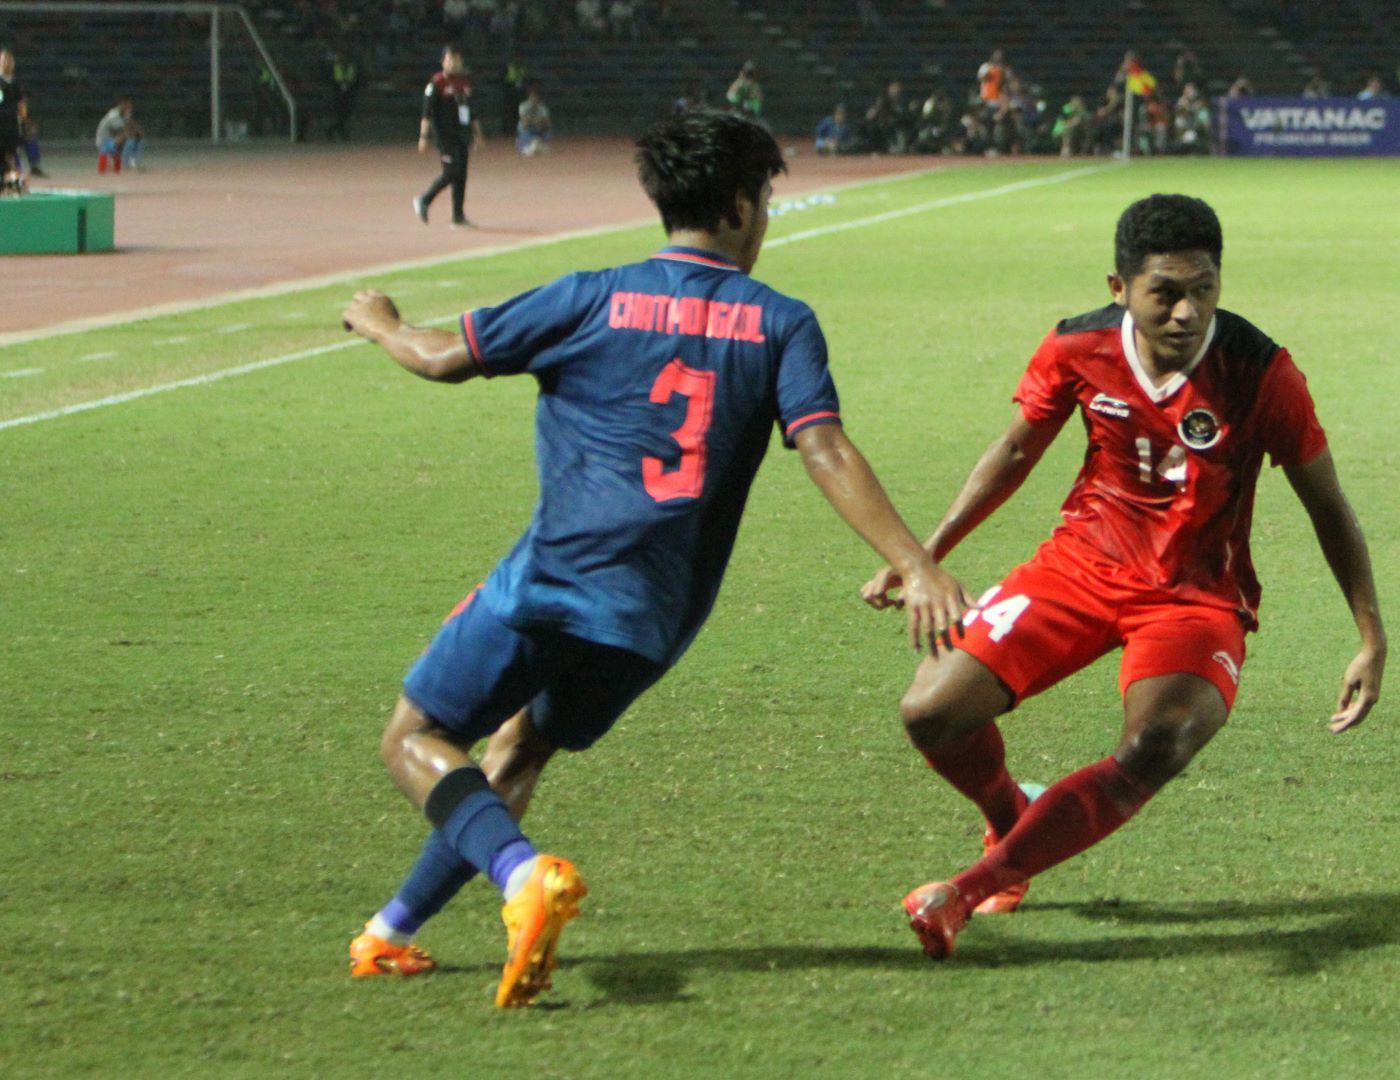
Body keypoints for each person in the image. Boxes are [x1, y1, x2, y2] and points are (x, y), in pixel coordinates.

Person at [340, 109, 972, 1006]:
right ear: (747, 205)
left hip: (553, 580)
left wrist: (379, 320)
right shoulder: (781, 321)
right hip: (654, 619)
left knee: (413, 737)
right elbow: (824, 447)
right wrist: (914, 562)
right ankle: (389, 933)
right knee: (517, 751)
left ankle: (523, 878)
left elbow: (441, 359)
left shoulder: (589, 295)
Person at [867, 194, 1387, 960]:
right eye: (1165, 293)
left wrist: (1371, 636)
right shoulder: (1076, 347)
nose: (1186, 312)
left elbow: (1328, 505)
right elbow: (1015, 452)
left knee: (1157, 741)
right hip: (1080, 567)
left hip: (1197, 595)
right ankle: (1012, 810)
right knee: (931, 711)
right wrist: (924, 556)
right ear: (1120, 288)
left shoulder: (1260, 370)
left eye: (1203, 289)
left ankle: (968, 892)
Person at [415, 45, 483, 229]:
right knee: (451, 171)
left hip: (462, 135)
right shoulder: (437, 84)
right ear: (443, 61)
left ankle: (458, 216)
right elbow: (426, 113)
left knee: (461, 175)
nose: (454, 63)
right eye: (450, 59)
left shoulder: (464, 84)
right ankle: (424, 199)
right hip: (446, 137)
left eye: (457, 59)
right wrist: (424, 136)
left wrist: (477, 133)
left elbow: (471, 111)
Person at [95, 96, 143, 173]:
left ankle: (133, 162)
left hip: (114, 140)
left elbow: (136, 129)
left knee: (138, 138)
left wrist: (137, 131)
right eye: (128, 106)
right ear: (122, 105)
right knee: (130, 137)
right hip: (104, 142)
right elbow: (124, 129)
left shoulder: (123, 114)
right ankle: (125, 164)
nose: (130, 108)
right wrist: (133, 130)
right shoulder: (114, 115)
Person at [0, 48, 22, 193]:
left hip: (1, 123)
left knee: (2, 158)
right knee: (11, 157)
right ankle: (15, 185)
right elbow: (21, 105)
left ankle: (4, 185)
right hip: (12, 123)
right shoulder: (15, 82)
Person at [516, 85, 553, 155]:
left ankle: (539, 145)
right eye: (532, 97)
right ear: (529, 98)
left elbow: (548, 123)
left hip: (539, 129)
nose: (534, 99)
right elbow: (525, 122)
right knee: (522, 128)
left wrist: (540, 123)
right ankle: (525, 145)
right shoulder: (523, 106)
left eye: (536, 97)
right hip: (527, 129)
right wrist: (536, 121)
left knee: (548, 131)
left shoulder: (542, 108)